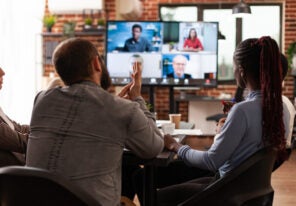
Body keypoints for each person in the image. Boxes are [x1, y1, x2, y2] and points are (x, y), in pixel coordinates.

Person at [25, 38, 164, 206]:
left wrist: (116, 103)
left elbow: (78, 119)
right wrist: (137, 98)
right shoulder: (123, 110)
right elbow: (153, 147)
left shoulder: (41, 100)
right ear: (96, 64)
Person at [157, 36, 287, 205]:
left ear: (241, 71)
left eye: (234, 68)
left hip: (224, 192)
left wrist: (176, 146)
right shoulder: (281, 107)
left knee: (155, 195)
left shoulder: (242, 111)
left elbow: (212, 161)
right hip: (248, 189)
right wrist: (226, 132)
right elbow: (251, 145)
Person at [0, 67, 29, 165]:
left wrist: (43, 127)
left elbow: (17, 128)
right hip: (13, 178)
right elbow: (20, 143)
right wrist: (49, 136)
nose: (3, 72)